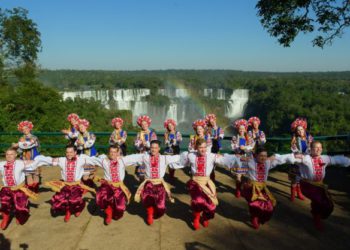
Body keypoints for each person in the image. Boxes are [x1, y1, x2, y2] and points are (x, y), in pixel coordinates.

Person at [172, 139, 241, 230]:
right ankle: (196, 218)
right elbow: (181, 161)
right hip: (195, 182)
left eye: (205, 147)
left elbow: (224, 159)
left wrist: (237, 157)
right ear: (196, 148)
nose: (203, 149)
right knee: (198, 201)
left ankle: (205, 217)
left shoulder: (212, 156)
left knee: (211, 205)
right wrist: (168, 161)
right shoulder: (190, 155)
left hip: (207, 182)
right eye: (200, 147)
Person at [121, 140, 180, 225]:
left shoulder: (164, 158)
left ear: (159, 148)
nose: (153, 149)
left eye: (156, 148)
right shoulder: (145, 157)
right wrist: (121, 159)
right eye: (152, 147)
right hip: (149, 183)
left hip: (160, 184)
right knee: (148, 200)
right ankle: (149, 213)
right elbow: (133, 157)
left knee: (161, 207)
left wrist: (189, 156)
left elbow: (177, 158)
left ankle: (154, 212)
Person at [294, 141, 350, 230]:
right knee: (319, 201)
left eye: (320, 147)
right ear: (311, 149)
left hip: (319, 186)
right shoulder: (305, 158)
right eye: (316, 147)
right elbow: (290, 158)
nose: (318, 149)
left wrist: (347, 160)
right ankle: (316, 217)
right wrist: (275, 158)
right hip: (307, 185)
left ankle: (316, 215)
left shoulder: (324, 158)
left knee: (328, 204)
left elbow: (336, 159)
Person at [33, 146, 97, 222]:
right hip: (65, 185)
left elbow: (94, 161)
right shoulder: (62, 160)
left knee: (74, 201)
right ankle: (68, 212)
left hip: (76, 185)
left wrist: (89, 171)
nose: (69, 154)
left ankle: (78, 209)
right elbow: (49, 160)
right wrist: (37, 160)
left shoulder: (81, 159)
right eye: (67, 152)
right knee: (59, 200)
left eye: (71, 152)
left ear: (75, 152)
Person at [240, 147, 297, 229]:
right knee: (255, 203)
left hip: (262, 188)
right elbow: (235, 160)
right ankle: (254, 217)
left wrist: (294, 156)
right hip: (251, 187)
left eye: (265, 156)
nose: (263, 158)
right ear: (256, 155)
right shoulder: (250, 162)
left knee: (269, 206)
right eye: (261, 156)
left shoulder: (267, 162)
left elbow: (281, 159)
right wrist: (240, 158)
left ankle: (259, 216)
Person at [0, 148, 47, 230]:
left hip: (19, 189)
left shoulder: (21, 163)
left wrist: (39, 162)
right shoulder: (1, 164)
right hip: (6, 189)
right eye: (7, 154)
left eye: (11, 154)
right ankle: (5, 218)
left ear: (15, 155)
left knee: (20, 207)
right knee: (4, 204)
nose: (9, 156)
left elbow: (35, 164)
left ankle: (20, 215)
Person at [92, 145, 131, 225]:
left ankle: (114, 212)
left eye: (114, 152)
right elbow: (93, 160)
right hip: (108, 185)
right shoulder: (104, 161)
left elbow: (136, 158)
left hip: (119, 186)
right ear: (108, 153)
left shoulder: (122, 160)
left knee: (119, 209)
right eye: (111, 152)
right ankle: (108, 212)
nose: (113, 154)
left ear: (118, 153)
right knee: (103, 197)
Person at [12, 121, 41, 193]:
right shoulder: (21, 138)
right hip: (25, 158)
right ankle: (30, 190)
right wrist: (15, 147)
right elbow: (19, 150)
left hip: (34, 157)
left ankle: (36, 189)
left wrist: (18, 144)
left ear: (30, 128)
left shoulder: (34, 137)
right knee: (28, 174)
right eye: (23, 129)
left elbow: (30, 144)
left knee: (36, 173)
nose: (25, 130)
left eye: (26, 128)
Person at [289, 118, 313, 201]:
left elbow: (312, 148)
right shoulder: (294, 138)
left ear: (304, 128)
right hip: (297, 160)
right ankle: (292, 194)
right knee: (294, 179)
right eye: (298, 130)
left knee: (301, 178)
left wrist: (310, 147)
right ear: (296, 131)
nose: (300, 131)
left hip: (305, 160)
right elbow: (293, 148)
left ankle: (299, 193)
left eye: (301, 129)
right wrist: (299, 154)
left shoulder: (309, 137)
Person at [231, 119, 254, 198]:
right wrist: (238, 147)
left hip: (247, 157)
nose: (241, 130)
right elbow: (233, 147)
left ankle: (247, 190)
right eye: (240, 129)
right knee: (238, 175)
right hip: (238, 157)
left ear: (245, 129)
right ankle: (238, 190)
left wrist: (245, 148)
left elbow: (251, 146)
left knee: (248, 175)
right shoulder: (235, 137)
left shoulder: (249, 137)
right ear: (238, 129)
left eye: (243, 129)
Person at [134, 115, 157, 181]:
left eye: (145, 124)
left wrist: (147, 144)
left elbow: (154, 145)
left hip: (149, 155)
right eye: (142, 124)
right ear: (140, 125)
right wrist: (138, 144)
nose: (144, 125)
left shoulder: (152, 134)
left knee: (149, 173)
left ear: (148, 124)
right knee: (141, 174)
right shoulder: (139, 134)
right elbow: (136, 143)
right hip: (140, 154)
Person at [205, 114, 224, 181]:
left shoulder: (220, 129)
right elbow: (206, 137)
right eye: (211, 122)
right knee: (210, 161)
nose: (212, 123)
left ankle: (212, 173)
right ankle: (211, 175)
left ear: (215, 120)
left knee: (214, 161)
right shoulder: (208, 129)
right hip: (209, 147)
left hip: (216, 146)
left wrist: (218, 137)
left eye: (213, 121)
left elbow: (221, 136)